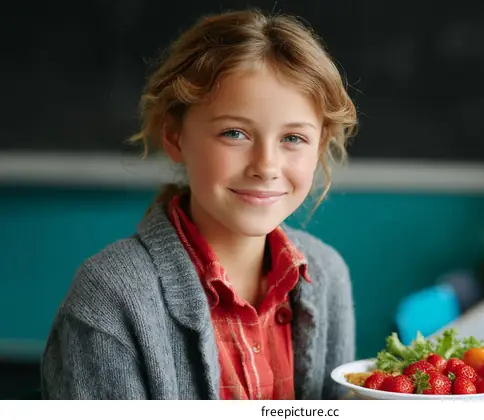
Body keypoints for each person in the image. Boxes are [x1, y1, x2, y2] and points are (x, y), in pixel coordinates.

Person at [41, 8, 358, 400]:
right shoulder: (110, 297)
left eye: (293, 138)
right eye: (235, 133)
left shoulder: (327, 276)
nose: (266, 166)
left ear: (320, 147)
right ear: (174, 137)